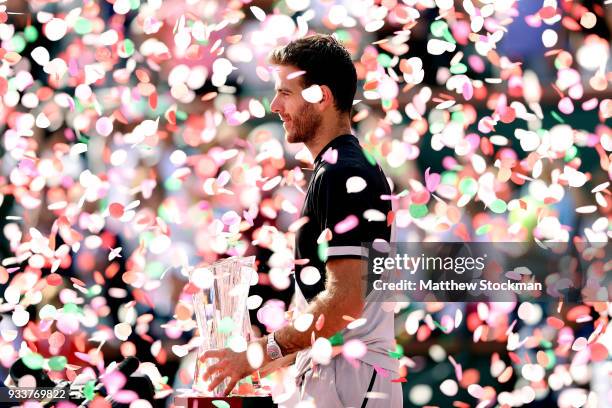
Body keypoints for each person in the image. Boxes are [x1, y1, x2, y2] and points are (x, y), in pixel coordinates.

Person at [201, 34, 402, 407]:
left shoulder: (344, 172)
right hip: (341, 376)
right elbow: (328, 310)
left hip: (350, 381)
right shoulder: (337, 168)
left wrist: (254, 356)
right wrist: (253, 365)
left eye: (286, 93)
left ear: (321, 97)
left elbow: (343, 303)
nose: (275, 106)